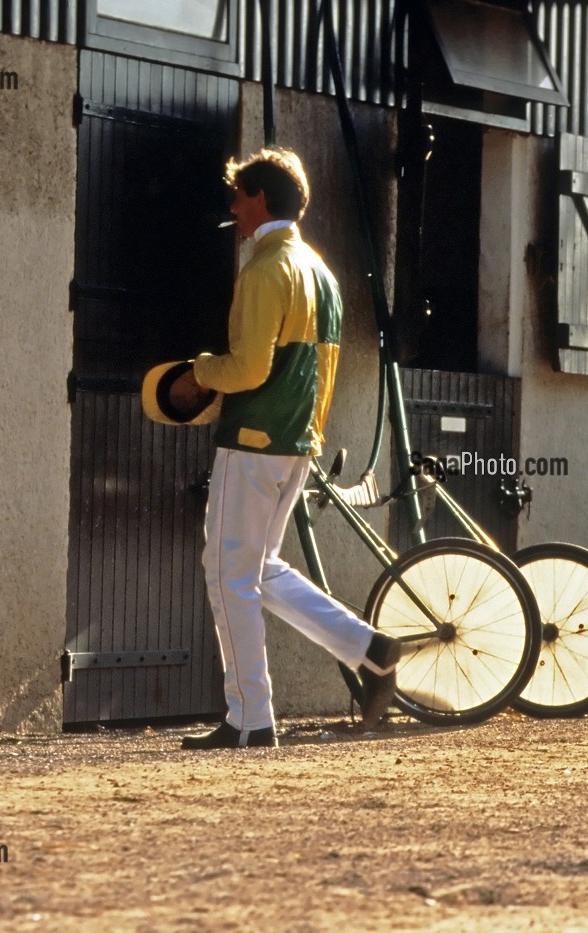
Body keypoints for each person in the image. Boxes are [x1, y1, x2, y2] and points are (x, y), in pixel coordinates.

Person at [173, 148, 400, 749]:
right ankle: (368, 648)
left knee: (225, 574)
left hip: (253, 440)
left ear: (261, 200)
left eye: (240, 197)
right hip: (300, 441)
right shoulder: (320, 271)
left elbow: (247, 369)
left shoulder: (262, 267)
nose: (234, 208)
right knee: (257, 571)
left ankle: (250, 720)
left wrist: (197, 371)